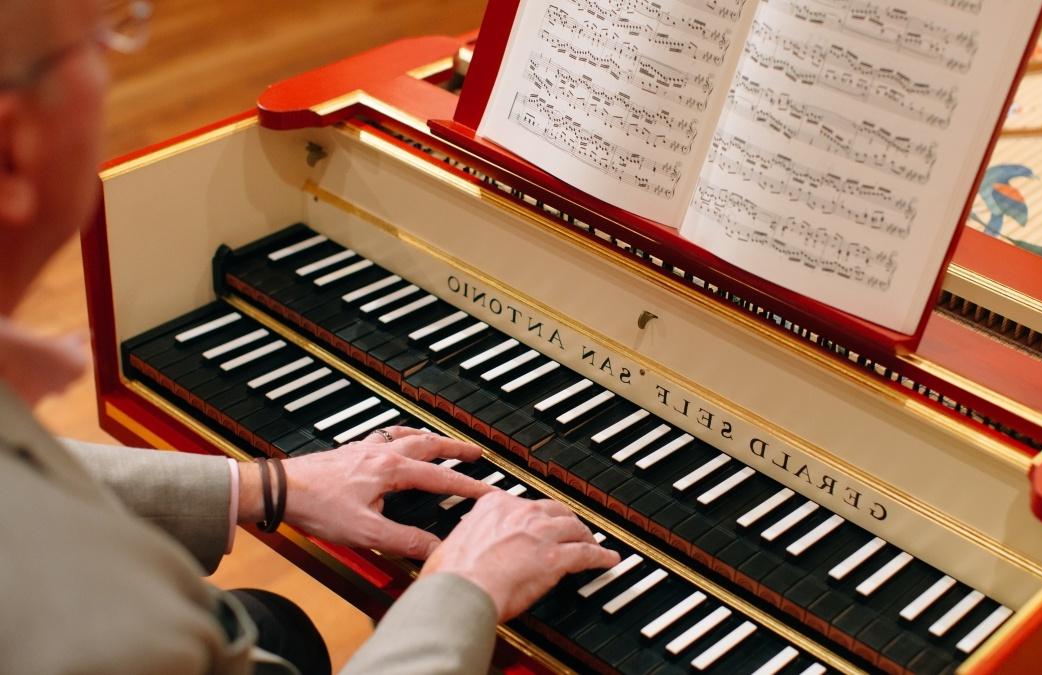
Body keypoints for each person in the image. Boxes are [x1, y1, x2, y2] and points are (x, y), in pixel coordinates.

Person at [0, 1, 619, 673]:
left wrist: (259, 485)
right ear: (12, 150)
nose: (110, 68)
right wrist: (463, 588)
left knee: (280, 627)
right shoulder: (107, 638)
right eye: (98, 42)